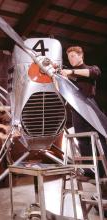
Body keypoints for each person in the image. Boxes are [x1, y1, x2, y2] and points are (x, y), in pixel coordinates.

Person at [61, 46, 107, 178]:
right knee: (82, 140)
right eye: (69, 57)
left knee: (99, 139)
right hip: (76, 110)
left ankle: (103, 171)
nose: (71, 59)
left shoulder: (90, 68)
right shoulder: (68, 73)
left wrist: (70, 72)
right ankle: (89, 172)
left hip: (90, 107)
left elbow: (94, 73)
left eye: (74, 56)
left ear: (81, 56)